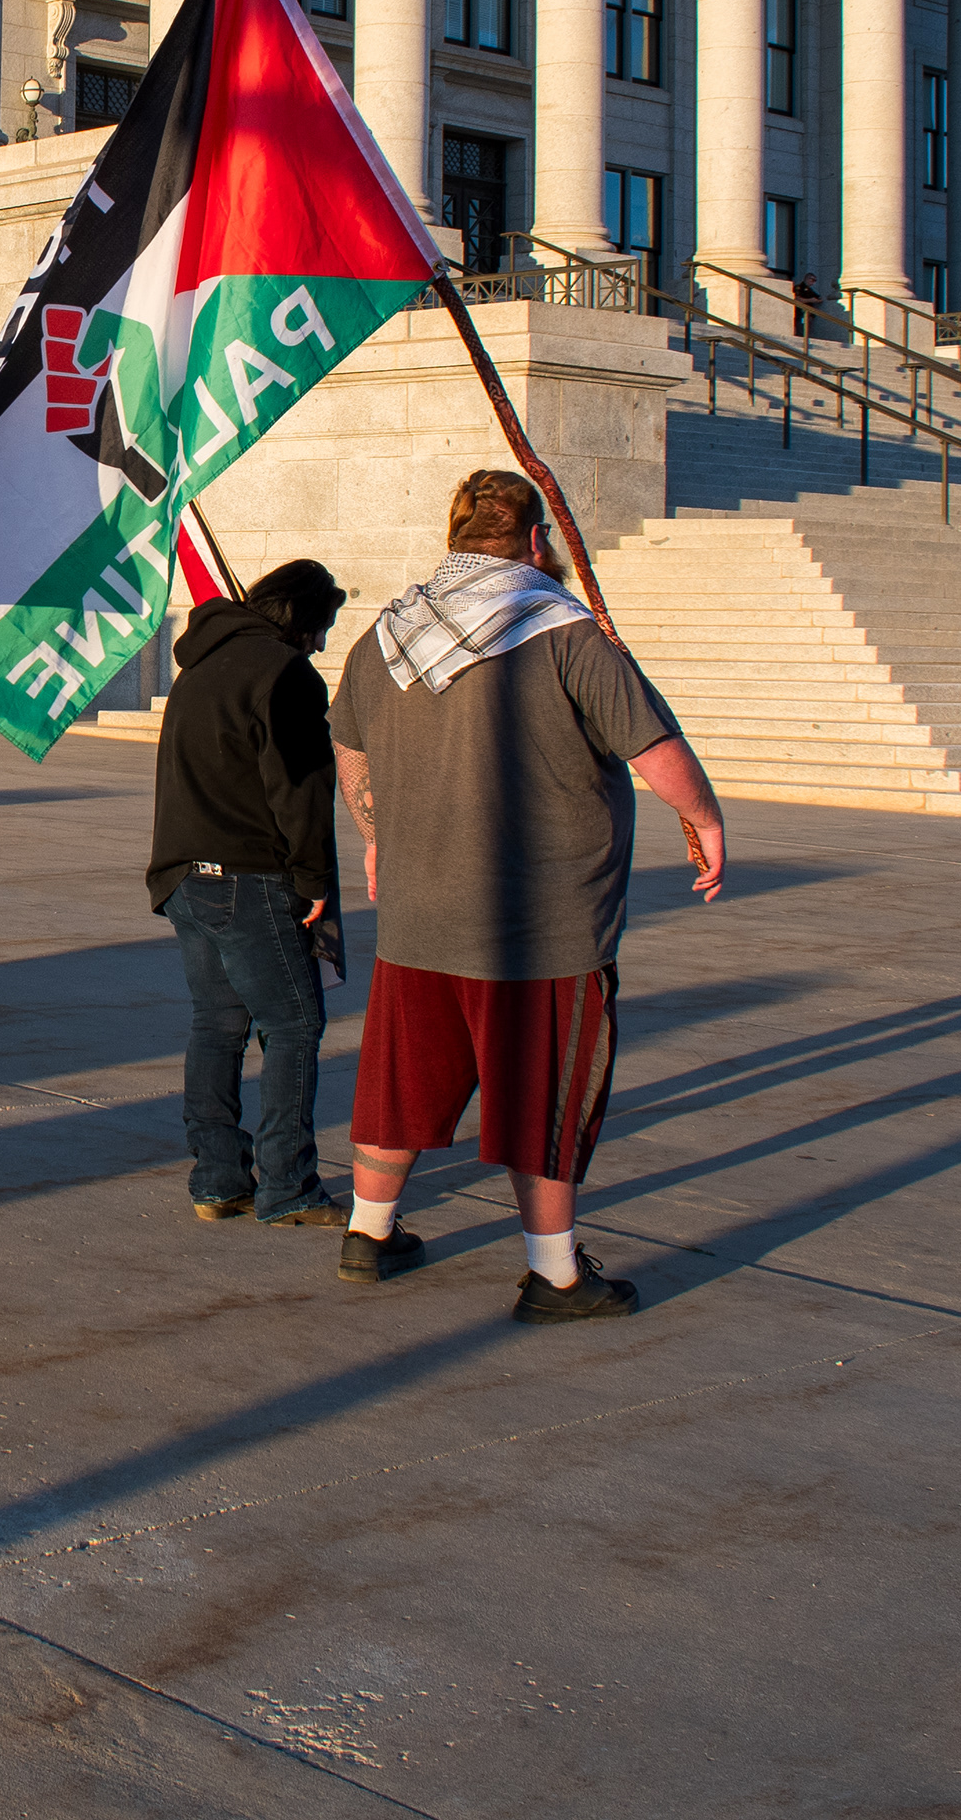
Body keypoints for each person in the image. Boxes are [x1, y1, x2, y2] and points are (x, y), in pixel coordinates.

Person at [328, 469, 729, 1322]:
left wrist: (374, 834)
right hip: (541, 923)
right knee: (543, 1093)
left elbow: (350, 750)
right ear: (537, 540)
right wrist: (705, 817)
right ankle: (556, 1276)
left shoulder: (387, 633)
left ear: (455, 535)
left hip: (418, 913)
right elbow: (655, 751)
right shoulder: (565, 632)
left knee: (401, 1077)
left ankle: (369, 1234)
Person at [149, 557, 350, 1230]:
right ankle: (288, 1184)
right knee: (293, 1025)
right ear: (299, 617)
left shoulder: (200, 665)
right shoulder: (284, 673)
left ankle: (217, 1180)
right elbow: (300, 789)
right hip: (247, 877)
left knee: (218, 1025)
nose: (320, 643)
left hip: (184, 875)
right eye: (321, 627)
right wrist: (314, 880)